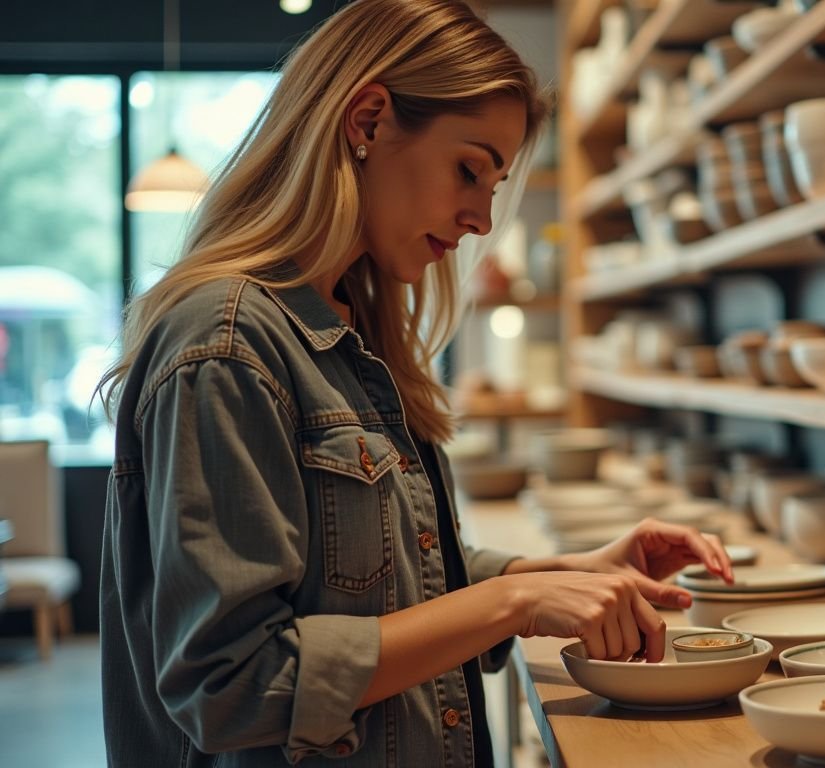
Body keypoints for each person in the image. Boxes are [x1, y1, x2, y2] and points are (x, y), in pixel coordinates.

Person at [97, 1, 733, 765]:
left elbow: (389, 584)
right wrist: (514, 601)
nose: (481, 220)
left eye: (494, 185)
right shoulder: (227, 344)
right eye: (470, 170)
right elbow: (231, 685)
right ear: (366, 121)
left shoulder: (344, 326)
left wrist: (567, 573)